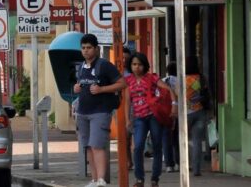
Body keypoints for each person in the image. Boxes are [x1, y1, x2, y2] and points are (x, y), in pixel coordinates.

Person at [73, 33, 127, 187]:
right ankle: (94, 179)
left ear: (96, 49)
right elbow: (81, 83)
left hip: (100, 111)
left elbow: (122, 83)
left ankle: (102, 180)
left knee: (97, 145)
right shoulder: (82, 66)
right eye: (83, 48)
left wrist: (102, 89)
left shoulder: (104, 65)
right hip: (83, 111)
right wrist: (76, 87)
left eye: (89, 48)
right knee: (88, 146)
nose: (86, 51)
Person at [124, 52, 177, 187]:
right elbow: (127, 102)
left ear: (145, 65)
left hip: (154, 115)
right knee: (138, 147)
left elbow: (168, 89)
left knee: (157, 146)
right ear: (130, 65)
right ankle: (139, 179)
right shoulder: (128, 80)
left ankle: (155, 178)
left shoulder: (152, 77)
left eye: (140, 64)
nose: (137, 67)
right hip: (139, 118)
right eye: (134, 64)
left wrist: (174, 105)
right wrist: (127, 120)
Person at [183, 57, 211, 178]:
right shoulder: (202, 78)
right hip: (200, 111)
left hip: (185, 113)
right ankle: (197, 169)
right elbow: (207, 92)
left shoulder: (182, 79)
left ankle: (183, 165)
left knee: (182, 141)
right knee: (197, 141)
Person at [161, 62, 180, 173]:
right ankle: (178, 162)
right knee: (177, 138)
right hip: (178, 112)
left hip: (165, 113)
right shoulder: (180, 81)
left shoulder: (163, 81)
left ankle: (169, 164)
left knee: (166, 138)